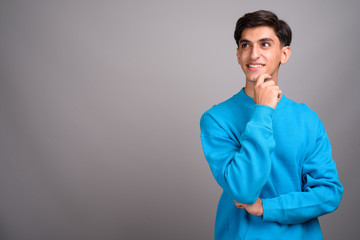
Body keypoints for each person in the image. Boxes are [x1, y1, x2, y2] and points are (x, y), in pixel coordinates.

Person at [200, 10, 343, 239]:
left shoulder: (307, 118)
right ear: (238, 54)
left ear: (284, 54)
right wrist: (262, 111)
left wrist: (267, 208)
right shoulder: (216, 119)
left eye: (265, 44)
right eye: (246, 45)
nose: (254, 54)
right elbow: (243, 190)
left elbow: (329, 193)